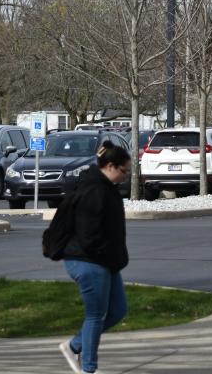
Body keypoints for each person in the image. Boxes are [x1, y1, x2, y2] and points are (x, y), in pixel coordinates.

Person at [59, 140, 131, 374]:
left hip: (105, 261)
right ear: (110, 166)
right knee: (96, 315)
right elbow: (89, 234)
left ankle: (74, 345)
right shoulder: (94, 190)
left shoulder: (106, 188)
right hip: (88, 260)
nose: (125, 176)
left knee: (118, 310)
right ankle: (89, 369)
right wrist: (108, 256)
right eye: (123, 171)